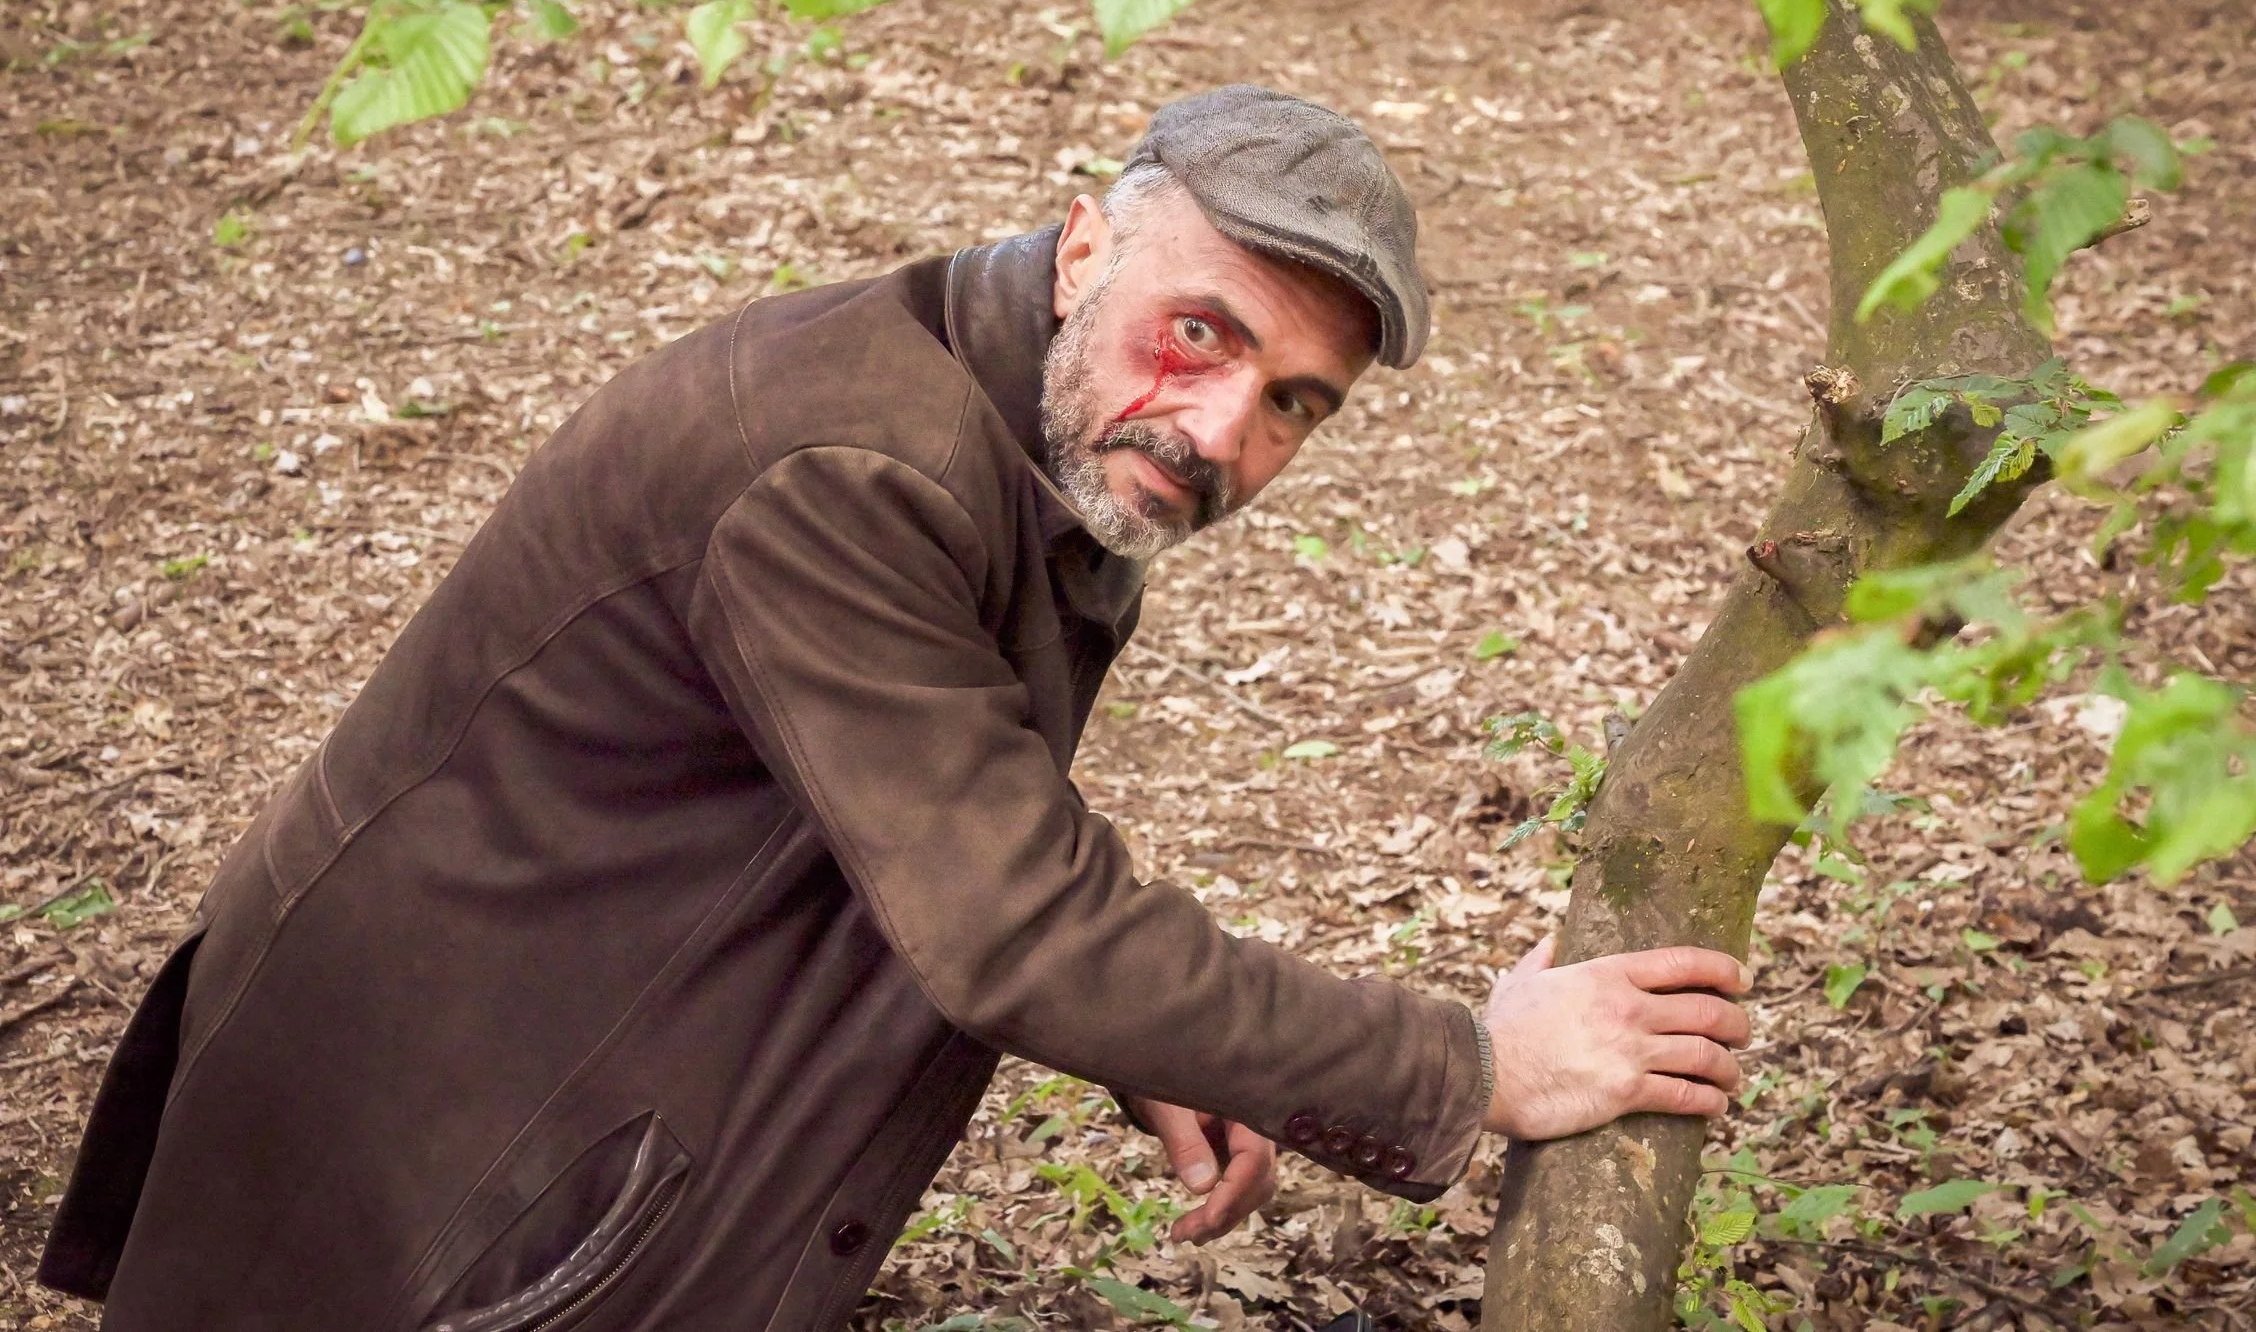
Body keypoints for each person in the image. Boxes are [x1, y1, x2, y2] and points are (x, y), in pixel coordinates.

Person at [40, 86, 1752, 1331]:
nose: (1223, 429)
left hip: (525, 1060)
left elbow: (946, 784)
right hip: (446, 1165)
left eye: (1293, 400)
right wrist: (1464, 1061)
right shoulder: (852, 464)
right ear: (1086, 244)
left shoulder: (1027, 406)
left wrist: (1147, 1036)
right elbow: (1009, 918)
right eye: (1200, 333)